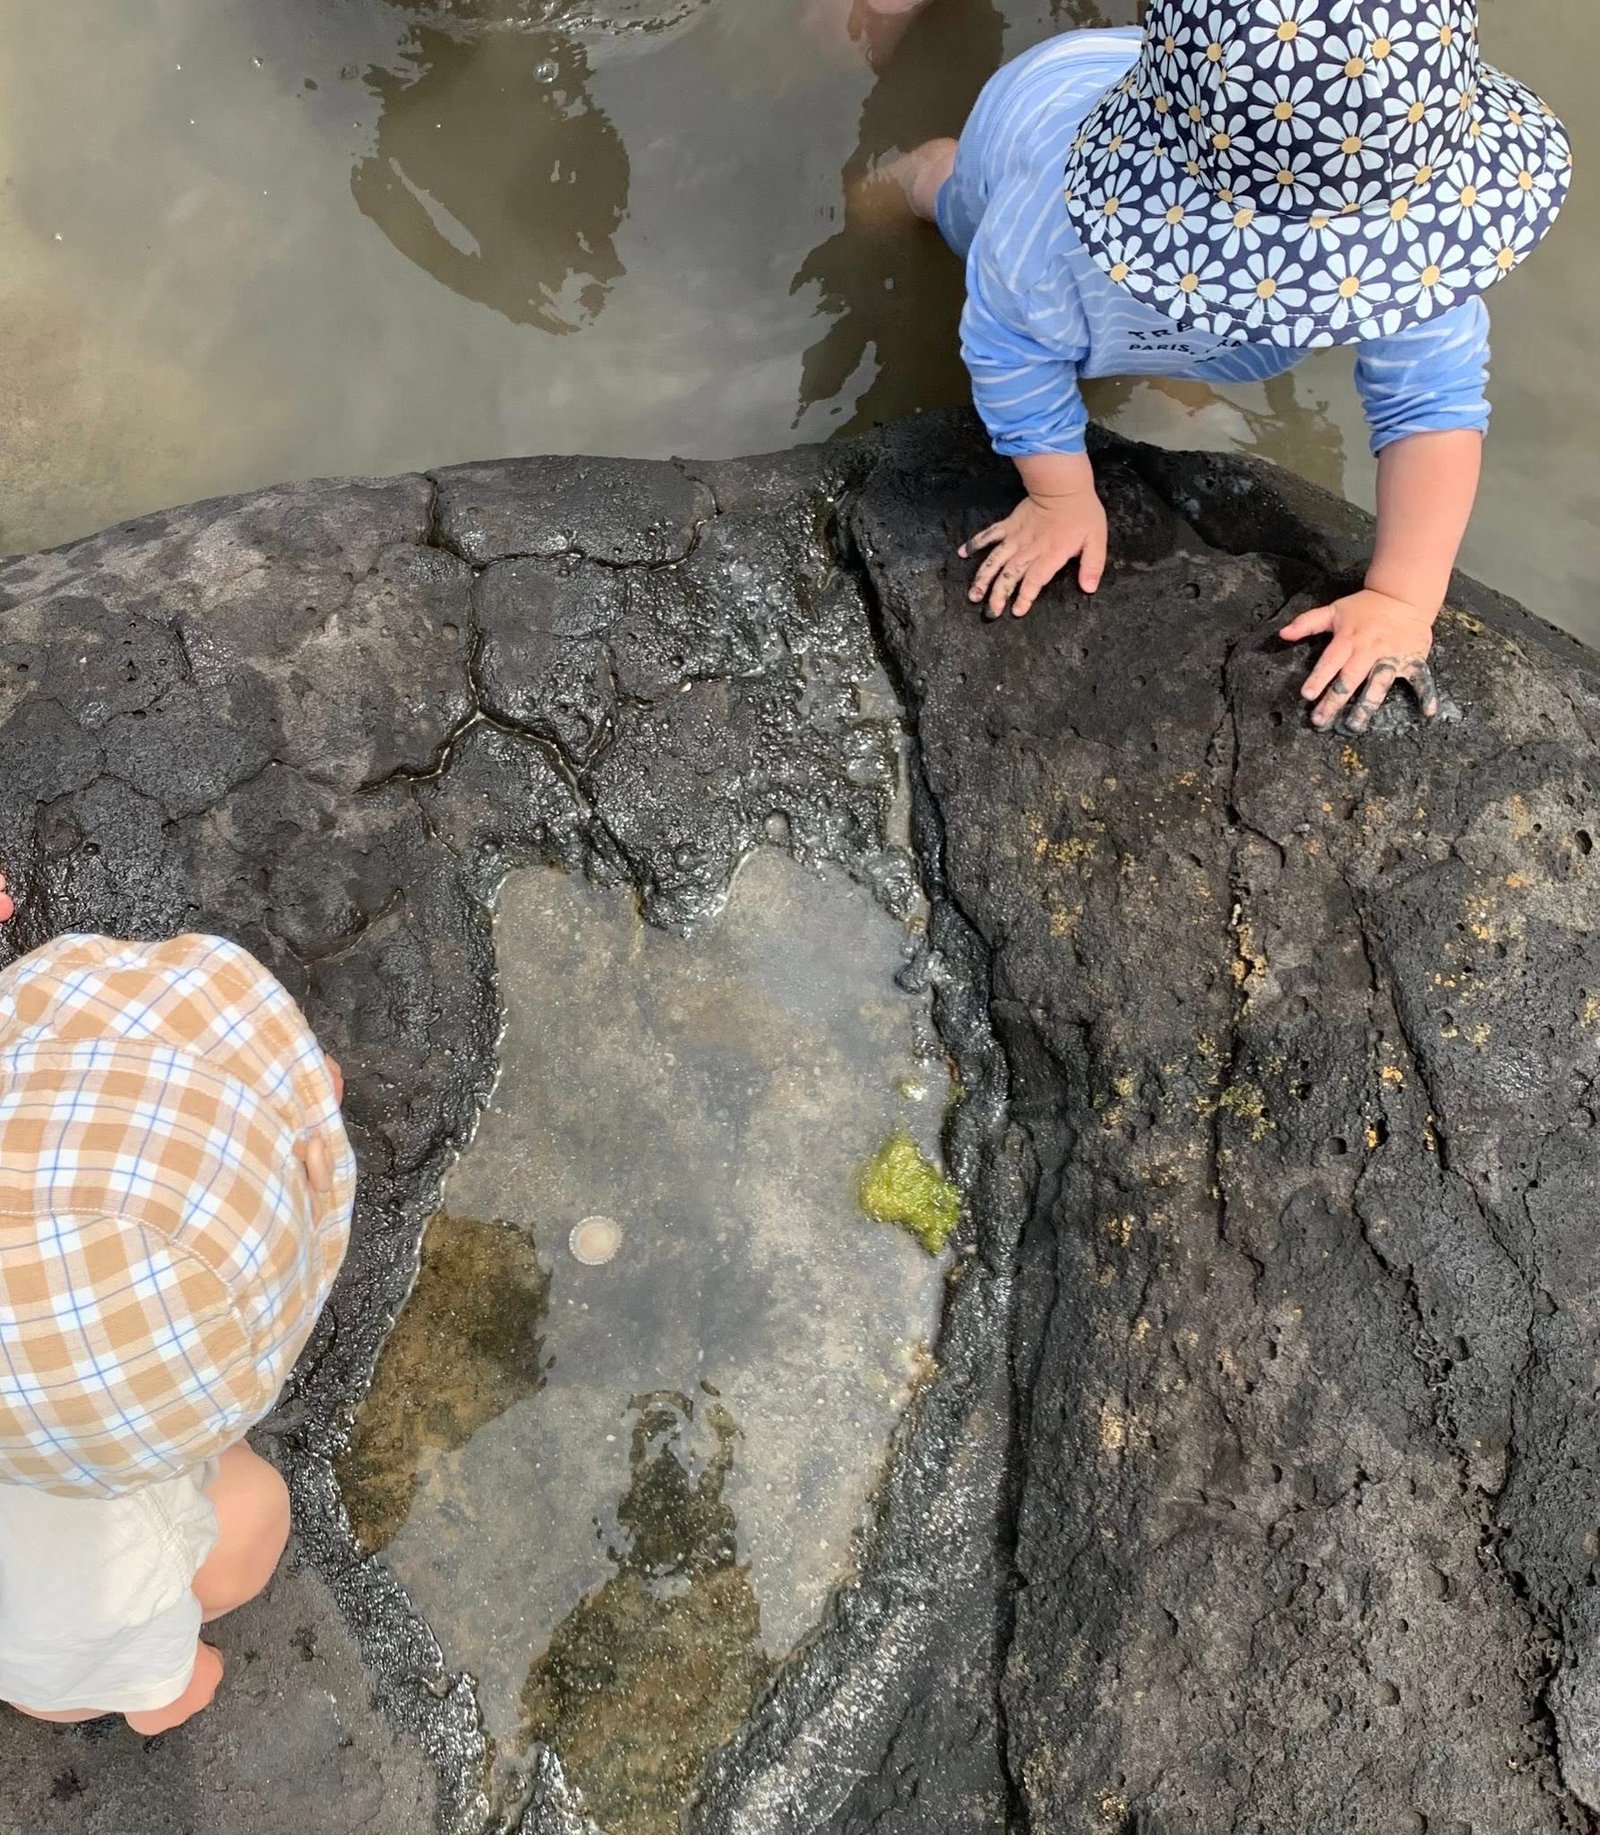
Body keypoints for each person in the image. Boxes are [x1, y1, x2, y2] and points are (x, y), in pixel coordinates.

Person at [887, 0, 1571, 734]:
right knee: (948, 202)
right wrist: (1061, 495)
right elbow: (1009, 347)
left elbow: (1434, 406)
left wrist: (1403, 597)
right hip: (1044, 119)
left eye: (1345, 258)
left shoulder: (1417, 232)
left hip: (1206, 99)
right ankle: (895, 182)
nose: (1320, 273)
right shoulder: (1042, 229)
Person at [0, 929, 352, 1735]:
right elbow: (163, 1707)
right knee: (253, 1510)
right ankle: (60, 1689)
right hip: (39, 1651)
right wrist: (186, 1677)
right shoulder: (120, 1551)